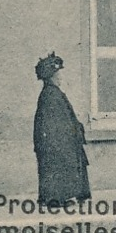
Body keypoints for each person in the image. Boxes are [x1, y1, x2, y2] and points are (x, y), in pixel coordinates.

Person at [33, 51, 90, 203]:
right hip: (55, 144)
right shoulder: (50, 95)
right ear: (51, 77)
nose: (61, 78)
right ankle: (56, 199)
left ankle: (62, 197)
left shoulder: (53, 93)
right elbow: (52, 125)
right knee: (56, 168)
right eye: (58, 75)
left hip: (63, 142)